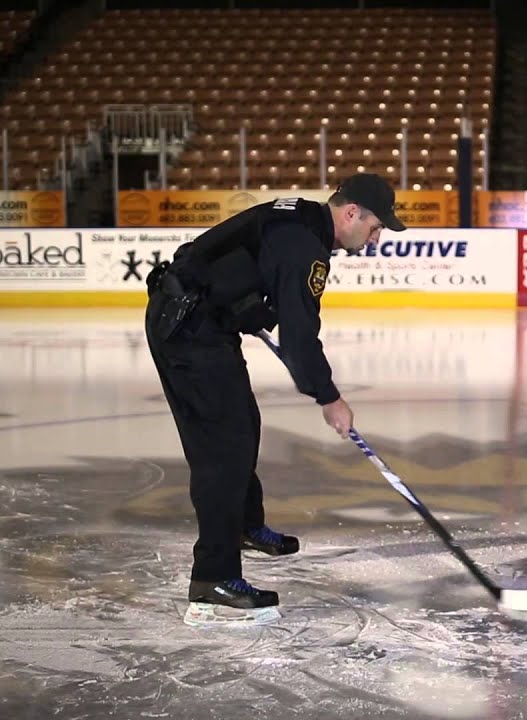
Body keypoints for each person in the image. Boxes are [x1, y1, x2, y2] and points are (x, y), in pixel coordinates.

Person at [143, 173, 406, 626]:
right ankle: (214, 579)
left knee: (243, 426)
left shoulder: (302, 220)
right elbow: (301, 338)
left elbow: (227, 255)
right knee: (222, 453)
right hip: (187, 333)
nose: (377, 237)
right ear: (350, 214)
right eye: (377, 226)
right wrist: (329, 397)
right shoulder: (305, 247)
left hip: (204, 323)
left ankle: (245, 526)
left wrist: (238, 301)